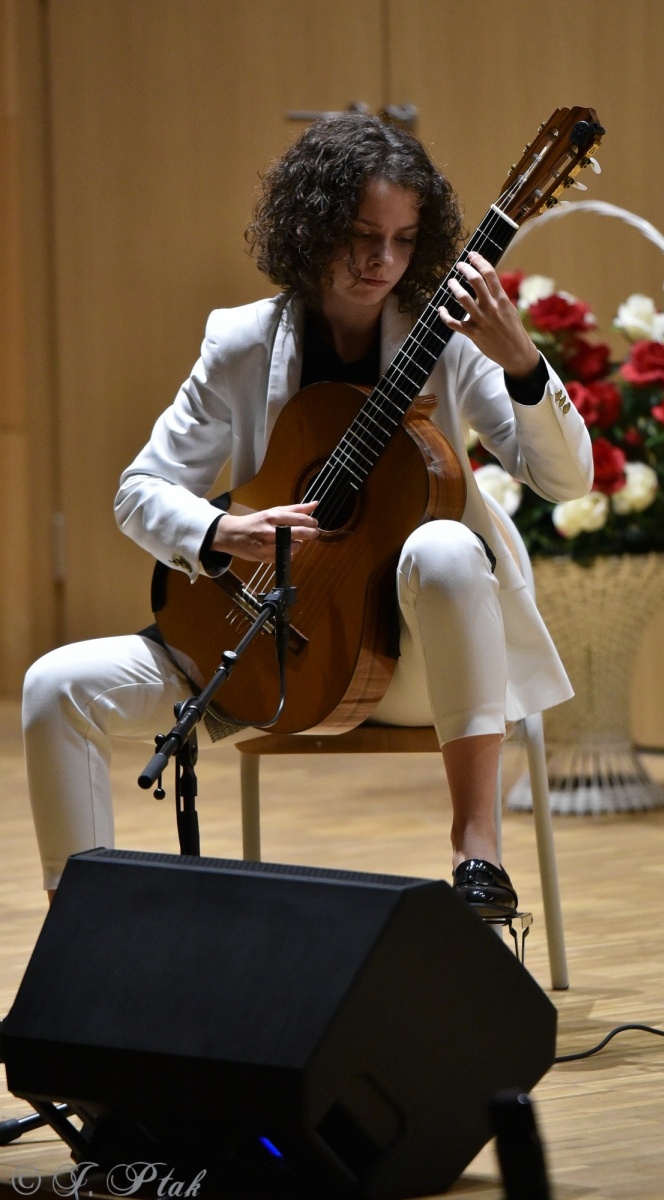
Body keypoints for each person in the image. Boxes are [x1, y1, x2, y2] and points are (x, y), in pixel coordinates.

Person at [22, 115, 592, 914]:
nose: (381, 261)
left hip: (413, 667)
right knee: (54, 686)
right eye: (361, 235)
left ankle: (477, 854)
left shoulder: (452, 341)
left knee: (445, 547)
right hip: (267, 654)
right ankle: (81, 937)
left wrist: (523, 361)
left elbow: (566, 481)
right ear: (311, 226)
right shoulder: (242, 343)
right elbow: (140, 489)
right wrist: (221, 530)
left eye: (403, 240)